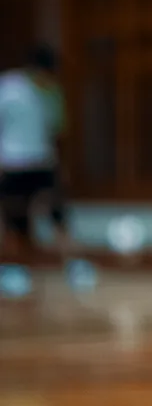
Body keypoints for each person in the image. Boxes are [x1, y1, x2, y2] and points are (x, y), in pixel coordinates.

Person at [0, 45, 96, 297]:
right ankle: (15, 270)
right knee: (14, 221)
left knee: (58, 217)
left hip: (42, 163)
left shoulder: (52, 92)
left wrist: (61, 164)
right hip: (13, 164)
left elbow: (57, 130)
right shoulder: (9, 88)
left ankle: (76, 266)